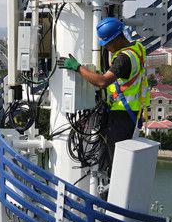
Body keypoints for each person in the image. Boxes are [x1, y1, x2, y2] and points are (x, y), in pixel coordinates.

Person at [58, 17, 150, 174]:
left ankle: (109, 194)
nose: (106, 47)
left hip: (122, 114)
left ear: (116, 39)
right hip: (133, 111)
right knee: (112, 157)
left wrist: (78, 68)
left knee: (114, 161)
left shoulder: (123, 59)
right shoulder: (138, 48)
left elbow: (102, 82)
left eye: (107, 43)